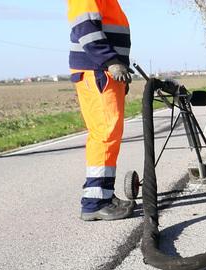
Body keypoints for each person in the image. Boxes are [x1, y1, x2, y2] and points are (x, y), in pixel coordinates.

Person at [68, 0, 135, 221]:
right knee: (105, 134)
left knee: (109, 134)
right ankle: (95, 203)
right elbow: (86, 29)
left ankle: (104, 195)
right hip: (98, 69)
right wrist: (111, 62)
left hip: (104, 70)